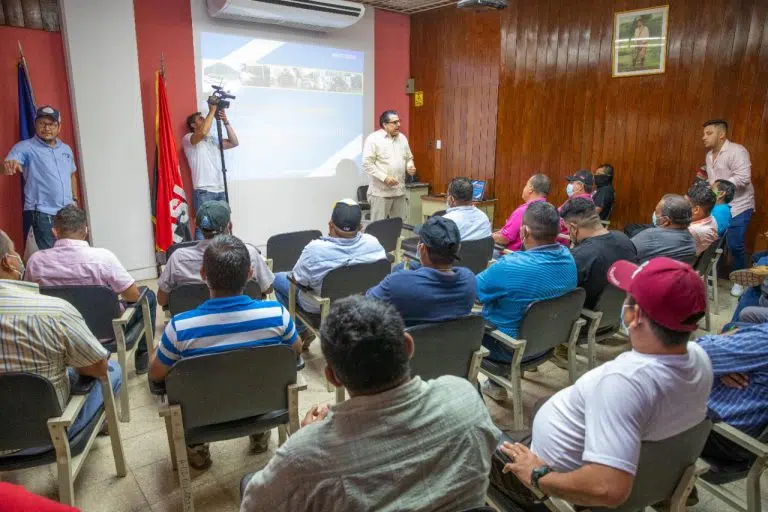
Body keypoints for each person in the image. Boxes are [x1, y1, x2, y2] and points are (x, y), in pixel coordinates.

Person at [490, 257, 712, 510]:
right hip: (623, 458)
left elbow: (608, 489)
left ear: (634, 315)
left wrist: (537, 475)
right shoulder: (700, 357)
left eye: (627, 297)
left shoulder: (622, 384)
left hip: (550, 490)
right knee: (544, 403)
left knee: (474, 437)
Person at [241, 296, 500, 511]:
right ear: (408, 346)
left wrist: (308, 438)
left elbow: (253, 506)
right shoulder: (465, 398)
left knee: (248, 482)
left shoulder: (303, 457)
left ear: (332, 377)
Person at [149, 234, 300, 470]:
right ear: (250, 274)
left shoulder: (180, 328)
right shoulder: (277, 314)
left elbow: (156, 374)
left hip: (202, 416)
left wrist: (156, 350)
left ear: (203, 274)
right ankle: (259, 432)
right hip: (263, 405)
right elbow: (295, 351)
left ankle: (198, 448)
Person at [0, 229, 121, 452]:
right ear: (7, 261)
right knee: (111, 370)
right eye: (14, 251)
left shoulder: (37, 262)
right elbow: (98, 368)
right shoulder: (54, 311)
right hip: (48, 435)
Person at [24, 205, 157, 374]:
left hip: (55, 335)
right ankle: (143, 357)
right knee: (148, 296)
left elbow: (29, 298)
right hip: (103, 334)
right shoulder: (102, 258)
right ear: (85, 230)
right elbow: (133, 295)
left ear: (55, 232)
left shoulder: (35, 261)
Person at [478, 201, 577, 401]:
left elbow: (472, 292)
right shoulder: (569, 258)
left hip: (507, 349)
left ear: (524, 231)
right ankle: (496, 384)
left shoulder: (509, 266)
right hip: (548, 341)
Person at [272, 199, 386, 349]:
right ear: (360, 227)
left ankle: (300, 330)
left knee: (277, 278)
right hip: (359, 300)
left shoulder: (314, 250)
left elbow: (297, 280)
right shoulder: (373, 243)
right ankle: (301, 330)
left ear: (330, 225)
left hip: (320, 306)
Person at [157, 200, 274, 308]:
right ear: (229, 226)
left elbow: (162, 300)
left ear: (197, 225)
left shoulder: (177, 258)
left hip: (195, 321)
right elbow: (267, 289)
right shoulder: (248, 253)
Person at [367, 216, 476, 326]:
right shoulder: (469, 280)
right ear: (458, 248)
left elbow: (367, 304)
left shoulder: (396, 283)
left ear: (422, 249)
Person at [3, 106, 78, 250]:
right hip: (42, 215)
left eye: (51, 124)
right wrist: (8, 165)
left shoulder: (66, 149)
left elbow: (71, 175)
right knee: (50, 257)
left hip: (67, 213)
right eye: (42, 123)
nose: (47, 128)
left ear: (59, 127)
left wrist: (74, 200)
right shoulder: (24, 147)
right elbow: (7, 167)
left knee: (71, 254)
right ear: (35, 125)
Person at [697, 324, 768, 467]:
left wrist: (730, 335)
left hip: (718, 433)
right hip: (740, 440)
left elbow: (693, 352)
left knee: (657, 369)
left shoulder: (763, 340)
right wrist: (723, 366)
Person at [702, 119, 754, 296]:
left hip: (740, 205)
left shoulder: (737, 151)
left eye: (709, 133)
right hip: (719, 206)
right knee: (712, 241)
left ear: (722, 134)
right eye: (704, 134)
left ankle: (740, 281)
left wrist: (718, 186)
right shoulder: (709, 156)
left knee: (735, 245)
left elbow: (743, 177)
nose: (704, 137)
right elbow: (712, 182)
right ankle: (709, 278)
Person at [560, 198, 637, 310]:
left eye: (567, 229)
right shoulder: (625, 240)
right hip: (619, 311)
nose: (568, 233)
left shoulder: (580, 256)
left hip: (587, 315)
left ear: (573, 228)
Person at [183, 101, 239, 240]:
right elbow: (202, 132)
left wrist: (226, 122)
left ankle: (222, 252)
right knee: (203, 227)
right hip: (204, 190)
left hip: (220, 189)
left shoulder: (212, 139)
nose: (204, 120)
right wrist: (212, 111)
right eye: (200, 119)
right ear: (193, 125)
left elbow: (234, 142)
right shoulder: (189, 138)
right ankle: (201, 254)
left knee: (224, 226)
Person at [362, 110, 416, 221]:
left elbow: (409, 158)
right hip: (380, 193)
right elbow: (367, 164)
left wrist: (410, 166)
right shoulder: (373, 139)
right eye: (394, 122)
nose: (398, 125)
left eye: (399, 121)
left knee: (398, 225)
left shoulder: (402, 138)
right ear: (385, 124)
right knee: (379, 227)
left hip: (399, 191)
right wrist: (385, 178)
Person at [630, 194, 697, 265]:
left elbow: (626, 253)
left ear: (665, 221)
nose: (654, 214)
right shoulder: (692, 244)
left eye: (656, 212)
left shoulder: (649, 236)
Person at [493, 174, 551, 251]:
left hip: (514, 254)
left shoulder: (523, 211)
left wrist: (489, 235)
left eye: (526, 185)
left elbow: (504, 239)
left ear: (531, 189)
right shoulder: (551, 210)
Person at [686, 181, 719, 256]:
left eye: (684, 204)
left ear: (696, 210)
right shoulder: (711, 217)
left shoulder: (692, 231)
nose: (680, 206)